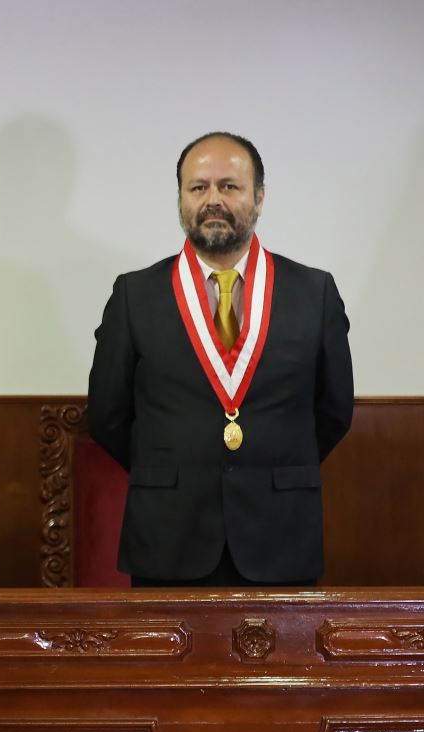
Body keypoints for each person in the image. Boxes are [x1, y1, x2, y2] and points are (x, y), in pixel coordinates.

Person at [87, 131, 354, 586]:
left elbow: (333, 410)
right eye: (198, 187)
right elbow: (107, 415)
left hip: (280, 535)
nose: (213, 199)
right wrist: (176, 467)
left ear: (260, 197)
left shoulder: (314, 293)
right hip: (169, 537)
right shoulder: (135, 295)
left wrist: (273, 466)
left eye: (229, 186)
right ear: (181, 198)